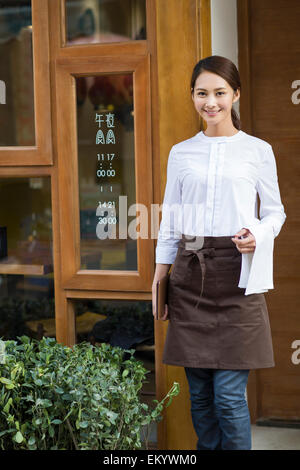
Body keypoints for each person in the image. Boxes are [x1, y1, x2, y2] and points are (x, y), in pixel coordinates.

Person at [152, 55, 287, 451]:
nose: (210, 102)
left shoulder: (258, 151)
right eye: (201, 93)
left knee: (228, 398)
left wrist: (257, 234)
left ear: (235, 95)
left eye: (219, 93)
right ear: (192, 96)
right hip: (190, 273)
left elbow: (276, 212)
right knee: (200, 398)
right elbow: (171, 219)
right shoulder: (181, 153)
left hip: (237, 277)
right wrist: (161, 277)